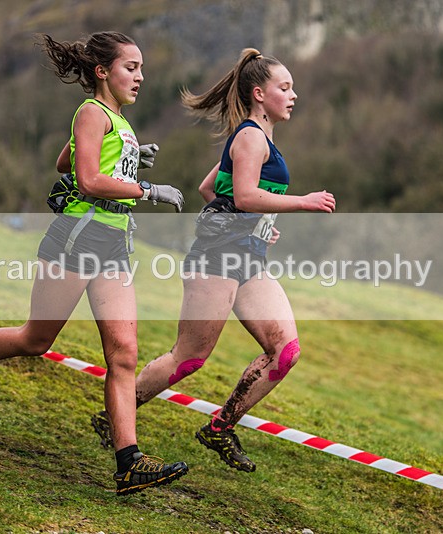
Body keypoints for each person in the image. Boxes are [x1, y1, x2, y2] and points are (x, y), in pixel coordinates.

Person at [0, 31, 189, 495]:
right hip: (78, 238)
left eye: (141, 68)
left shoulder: (115, 120)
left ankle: (129, 462)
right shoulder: (91, 112)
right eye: (131, 67)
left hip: (114, 244)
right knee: (35, 339)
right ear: (102, 71)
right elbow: (86, 181)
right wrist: (147, 189)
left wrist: (130, 159)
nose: (141, 76)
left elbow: (66, 160)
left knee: (124, 353)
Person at [91, 48, 336, 472]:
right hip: (217, 259)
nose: (293, 95)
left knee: (286, 351)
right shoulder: (250, 137)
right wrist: (303, 201)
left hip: (249, 259)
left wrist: (258, 226)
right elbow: (243, 195)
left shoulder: (260, 138)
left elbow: (212, 189)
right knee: (189, 357)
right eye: (285, 87)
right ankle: (114, 415)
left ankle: (220, 427)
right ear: (259, 94)